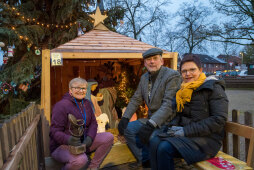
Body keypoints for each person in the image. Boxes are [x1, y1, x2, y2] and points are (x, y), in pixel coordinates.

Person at [149, 55, 229, 170]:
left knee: (164, 148)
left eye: (192, 70)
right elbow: (179, 115)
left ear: (200, 70)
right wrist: (171, 127)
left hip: (207, 140)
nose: (188, 74)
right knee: (154, 140)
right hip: (190, 135)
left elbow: (218, 119)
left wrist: (185, 131)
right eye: (184, 71)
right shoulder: (183, 91)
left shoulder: (213, 88)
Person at [117, 48, 181, 168]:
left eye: (155, 59)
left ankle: (155, 162)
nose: (152, 62)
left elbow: (168, 105)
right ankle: (144, 159)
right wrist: (125, 118)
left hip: (168, 122)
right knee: (127, 129)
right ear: (145, 63)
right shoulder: (144, 78)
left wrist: (151, 125)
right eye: (148, 59)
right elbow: (136, 98)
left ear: (161, 61)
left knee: (151, 138)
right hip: (151, 120)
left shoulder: (172, 76)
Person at [49, 78, 114, 170]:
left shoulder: (86, 103)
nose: (81, 91)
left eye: (83, 88)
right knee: (81, 160)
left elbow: (93, 123)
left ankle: (93, 167)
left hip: (82, 142)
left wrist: (90, 138)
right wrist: (68, 140)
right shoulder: (61, 106)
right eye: (77, 88)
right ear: (70, 90)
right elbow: (54, 132)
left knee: (109, 137)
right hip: (62, 145)